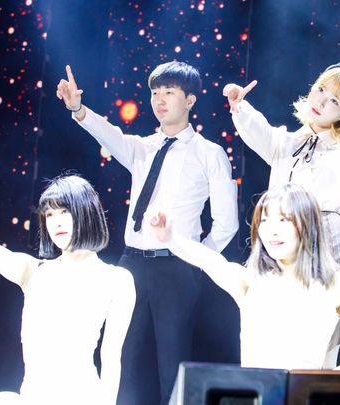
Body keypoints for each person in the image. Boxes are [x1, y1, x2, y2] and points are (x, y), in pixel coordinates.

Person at [56, 61, 238, 404]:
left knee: (172, 361)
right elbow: (108, 133)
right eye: (155, 93)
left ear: (190, 100)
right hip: (132, 264)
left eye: (169, 92)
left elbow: (227, 222)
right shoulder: (143, 147)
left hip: (177, 267)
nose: (160, 100)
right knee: (120, 355)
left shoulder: (209, 153)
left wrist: (195, 259)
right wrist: (78, 109)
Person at [223, 62, 340, 365]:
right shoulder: (290, 141)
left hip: (325, 243)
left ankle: (314, 388)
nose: (321, 101)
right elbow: (261, 133)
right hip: (280, 242)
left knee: (319, 344)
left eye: (334, 100)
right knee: (272, 335)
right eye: (321, 89)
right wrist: (239, 107)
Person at [149, 183, 340, 371]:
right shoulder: (251, 281)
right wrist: (171, 239)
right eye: (265, 221)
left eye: (283, 220)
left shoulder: (337, 283)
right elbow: (210, 260)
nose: (272, 231)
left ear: (307, 225)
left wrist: (321, 383)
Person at [0, 175, 135, 405]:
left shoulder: (116, 280)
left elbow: (111, 358)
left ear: (86, 213)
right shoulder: (34, 271)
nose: (56, 222)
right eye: (49, 214)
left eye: (64, 212)